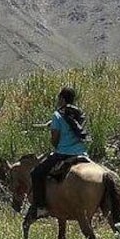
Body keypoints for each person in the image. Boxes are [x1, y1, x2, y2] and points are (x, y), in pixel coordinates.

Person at [27, 86, 89, 219]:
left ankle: (41, 207)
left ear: (61, 99)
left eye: (58, 98)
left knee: (36, 173)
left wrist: (54, 132)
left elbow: (55, 141)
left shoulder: (57, 115)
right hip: (82, 153)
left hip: (64, 153)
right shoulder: (79, 113)